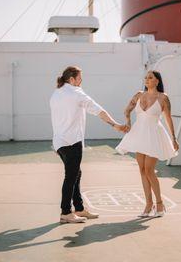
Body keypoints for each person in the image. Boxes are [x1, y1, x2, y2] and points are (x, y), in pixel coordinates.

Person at [50, 66, 127, 224]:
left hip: (59, 142)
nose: (81, 81)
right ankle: (66, 212)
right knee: (71, 177)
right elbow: (98, 110)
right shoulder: (76, 93)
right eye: (80, 78)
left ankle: (79, 209)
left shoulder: (56, 94)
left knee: (76, 174)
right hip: (72, 142)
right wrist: (115, 125)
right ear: (72, 79)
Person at [115, 70, 179, 218]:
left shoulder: (163, 98)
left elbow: (168, 119)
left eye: (150, 78)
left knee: (149, 169)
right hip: (139, 134)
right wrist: (128, 122)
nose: (147, 80)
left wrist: (174, 138)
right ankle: (148, 205)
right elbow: (127, 110)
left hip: (154, 135)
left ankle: (160, 204)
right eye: (145, 78)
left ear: (157, 81)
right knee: (142, 170)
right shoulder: (139, 95)